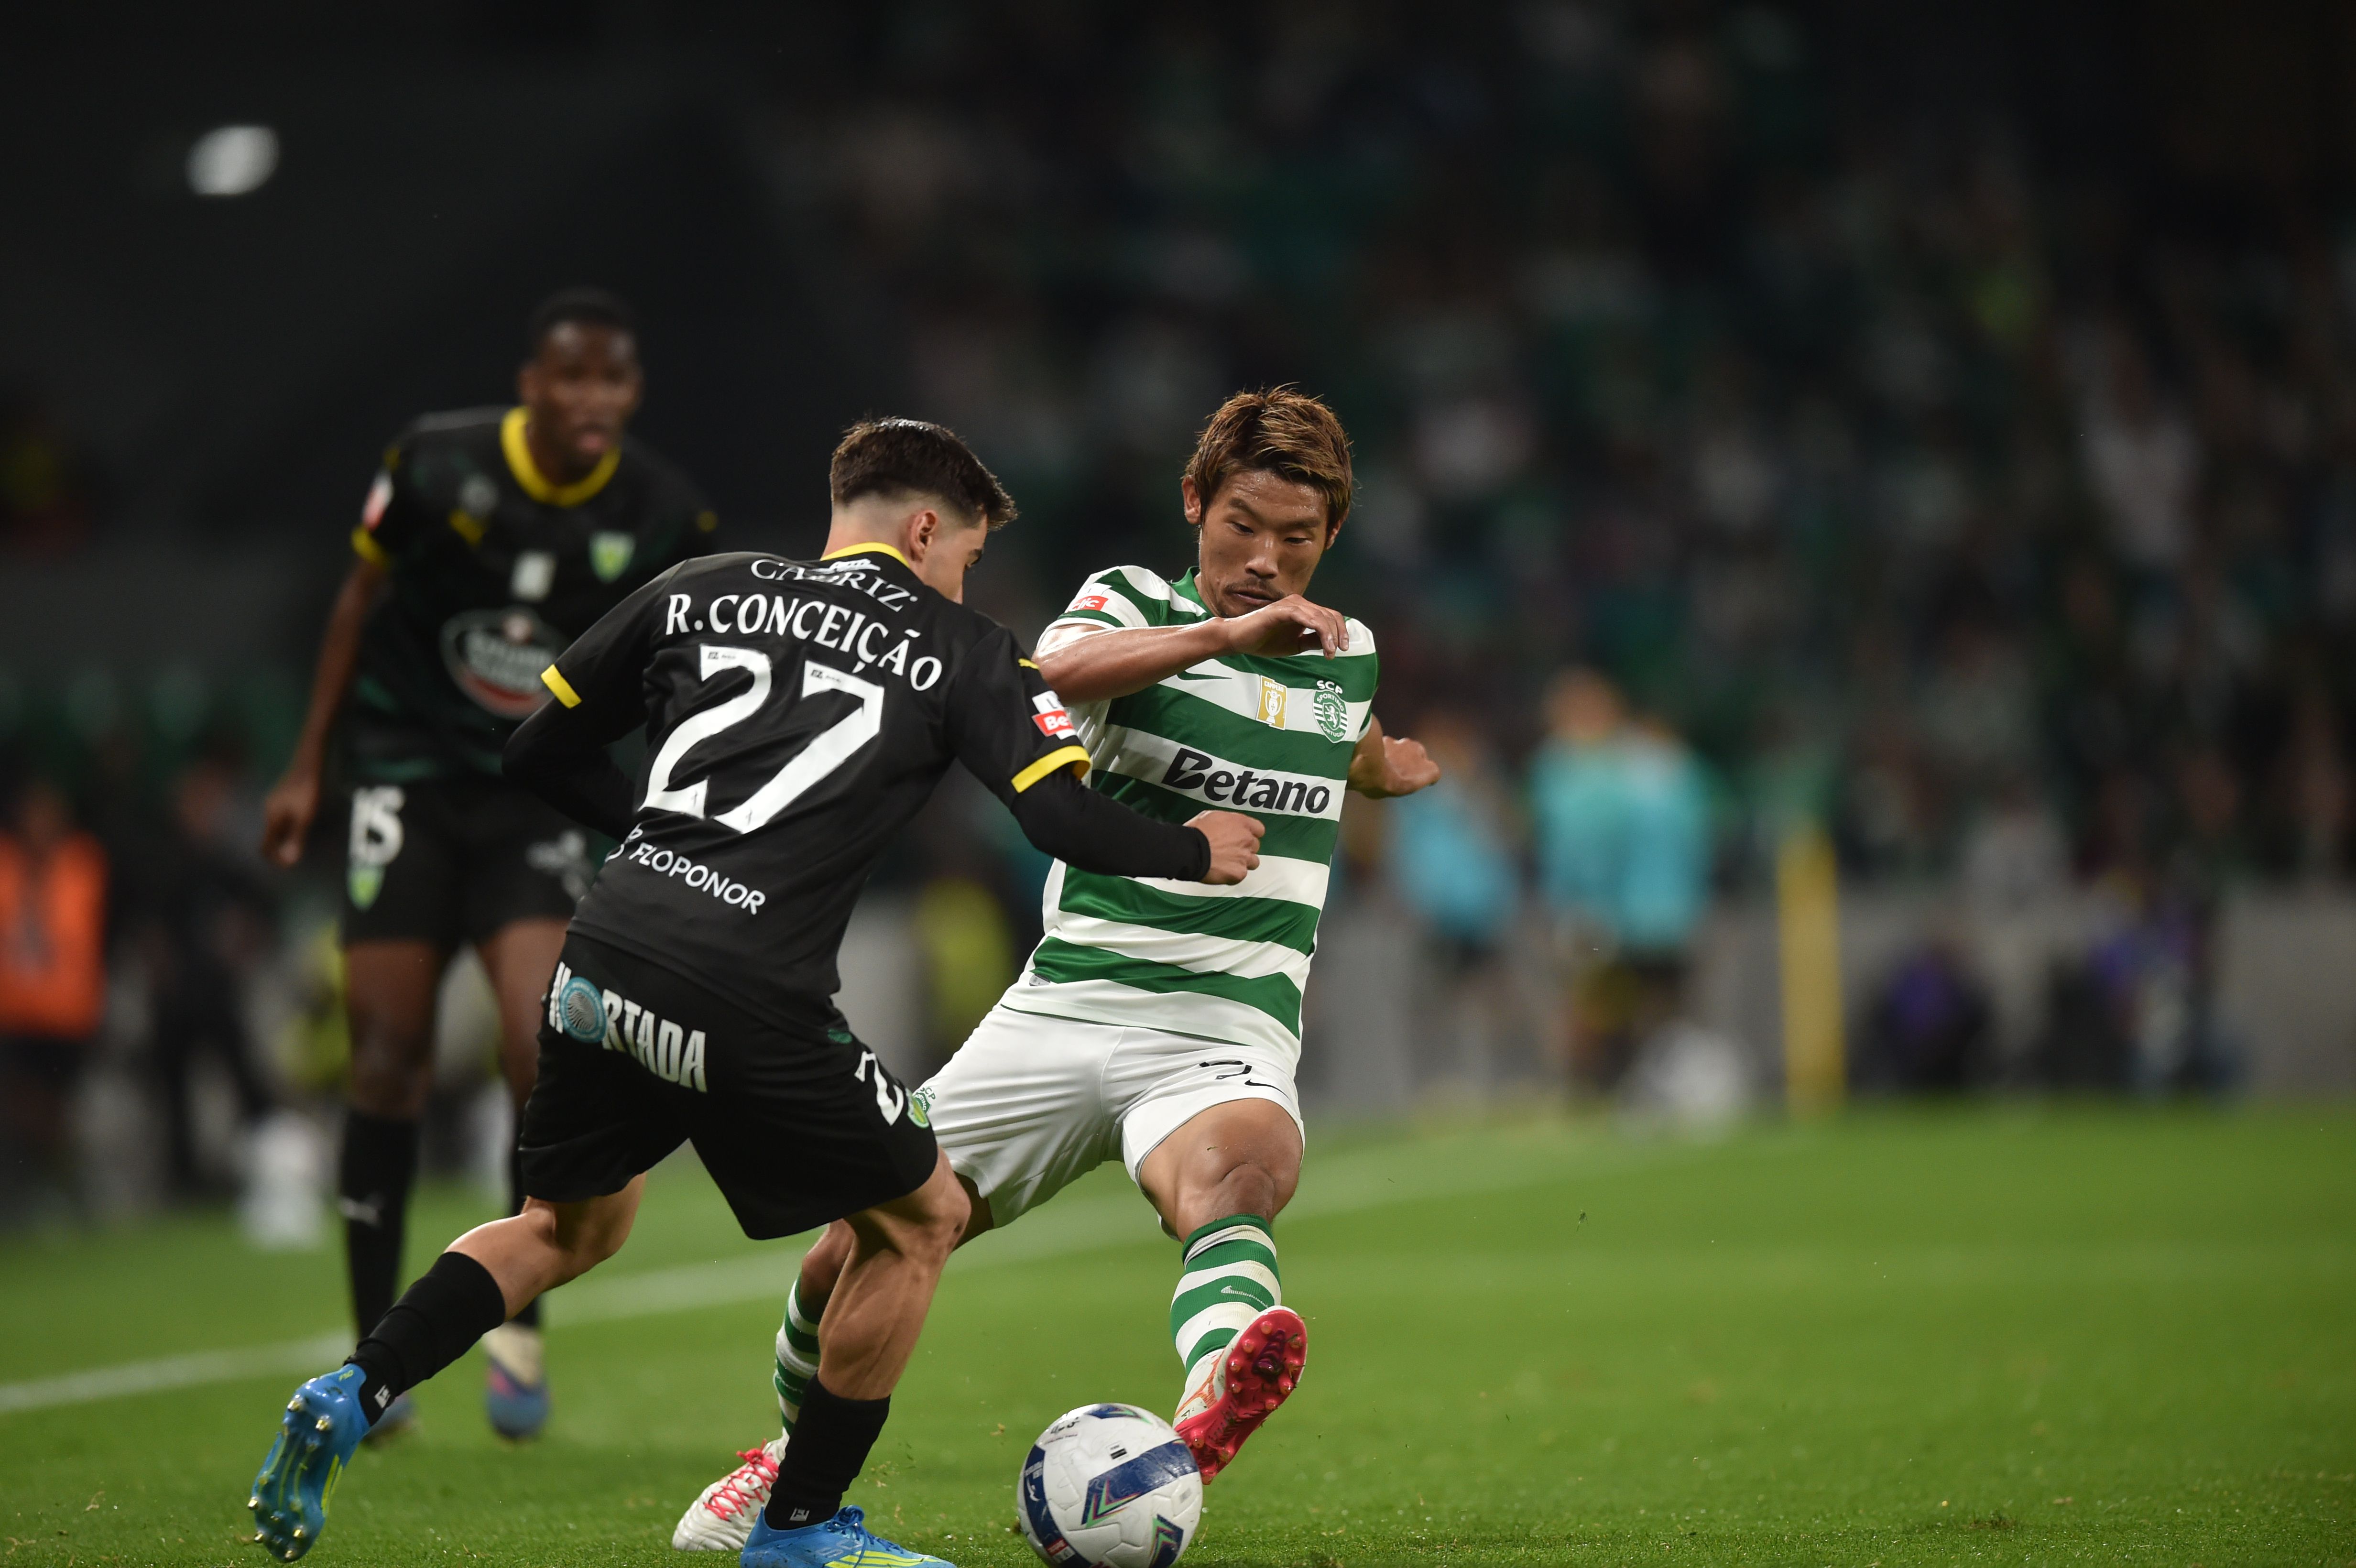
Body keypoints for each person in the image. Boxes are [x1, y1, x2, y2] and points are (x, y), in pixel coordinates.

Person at [245, 417, 1264, 1568]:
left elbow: (533, 747)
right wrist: (1195, 848)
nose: (964, 576)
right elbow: (1059, 817)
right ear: (927, 529)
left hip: (607, 948)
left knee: (567, 1222)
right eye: (966, 554)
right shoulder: (965, 647)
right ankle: (802, 1525)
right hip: (744, 986)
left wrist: (659, 840)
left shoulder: (701, 586)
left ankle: (354, 1382)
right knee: (918, 1216)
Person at [673, 387, 1440, 1553]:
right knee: (865, 1241)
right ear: (1195, 502)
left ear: (1332, 535)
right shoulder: (1135, 603)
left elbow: (1347, 732)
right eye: (1243, 525)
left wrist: (1384, 766)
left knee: (1244, 1170)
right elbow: (1045, 681)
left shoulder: (1349, 654)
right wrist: (1221, 636)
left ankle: (1217, 1381)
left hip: (1220, 1021)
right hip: (1063, 1005)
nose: (1265, 560)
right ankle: (785, 1466)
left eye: (1298, 537)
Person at [257, 288, 718, 1440]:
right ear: (533, 385)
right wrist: (308, 765)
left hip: (534, 794)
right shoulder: (433, 466)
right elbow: (358, 598)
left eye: (613, 381)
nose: (593, 401)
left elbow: (679, 671)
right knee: (387, 1054)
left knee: (534, 1038)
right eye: (572, 379)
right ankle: (380, 1361)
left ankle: (517, 1317)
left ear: (633, 390)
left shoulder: (664, 511)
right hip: (404, 774)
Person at [0, 777, 108, 1201]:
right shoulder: (7, 864)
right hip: (15, 1013)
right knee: (23, 1104)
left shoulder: (82, 864)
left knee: (56, 1107)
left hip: (68, 1015)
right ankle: (33, 1188)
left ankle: (61, 1187)